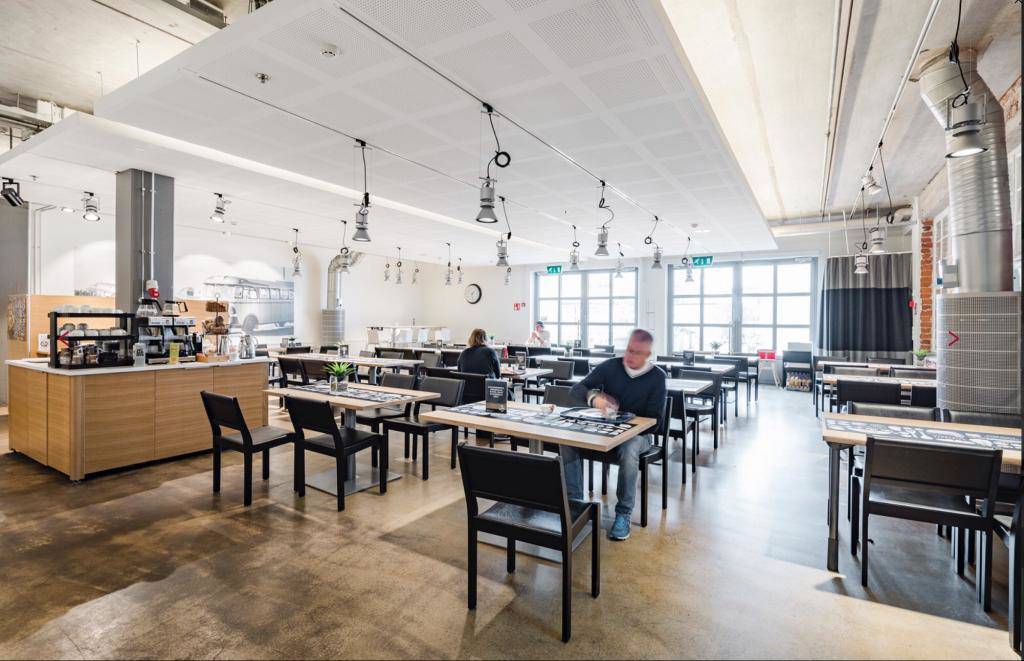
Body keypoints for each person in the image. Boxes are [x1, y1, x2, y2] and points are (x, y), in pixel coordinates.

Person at [563, 328, 666, 541]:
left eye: (637, 352)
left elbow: (655, 422)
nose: (630, 356)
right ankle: (575, 504)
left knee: (629, 449)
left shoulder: (657, 377)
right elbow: (577, 389)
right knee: (568, 440)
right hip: (606, 430)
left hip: (639, 436)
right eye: (629, 350)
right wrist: (594, 399)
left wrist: (626, 421)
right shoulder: (611, 366)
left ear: (648, 355)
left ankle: (623, 513)